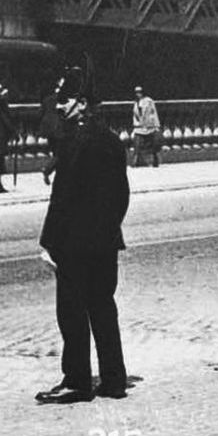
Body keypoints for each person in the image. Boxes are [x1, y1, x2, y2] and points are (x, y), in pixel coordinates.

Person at [34, 71, 129, 404]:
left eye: (65, 101)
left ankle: (76, 380)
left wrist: (49, 243)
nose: (60, 107)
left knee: (71, 311)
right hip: (105, 241)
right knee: (103, 307)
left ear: (83, 104)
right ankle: (114, 379)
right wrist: (107, 230)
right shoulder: (112, 140)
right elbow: (121, 196)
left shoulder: (74, 141)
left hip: (74, 244)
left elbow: (63, 199)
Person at [129, 87, 162, 168]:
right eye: (136, 92)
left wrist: (155, 124)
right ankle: (135, 160)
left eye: (139, 92)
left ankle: (155, 160)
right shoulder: (136, 102)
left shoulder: (149, 101)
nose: (138, 94)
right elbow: (135, 115)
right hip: (139, 126)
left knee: (154, 144)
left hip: (149, 126)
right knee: (137, 143)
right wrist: (136, 124)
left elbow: (153, 113)